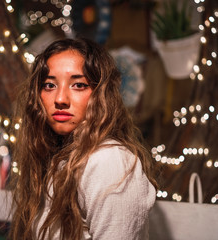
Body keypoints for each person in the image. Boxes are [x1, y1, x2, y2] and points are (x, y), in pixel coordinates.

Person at [9, 38, 157, 240]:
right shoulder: (56, 157)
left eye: (78, 85)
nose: (60, 99)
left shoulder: (109, 160)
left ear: (101, 95)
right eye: (49, 85)